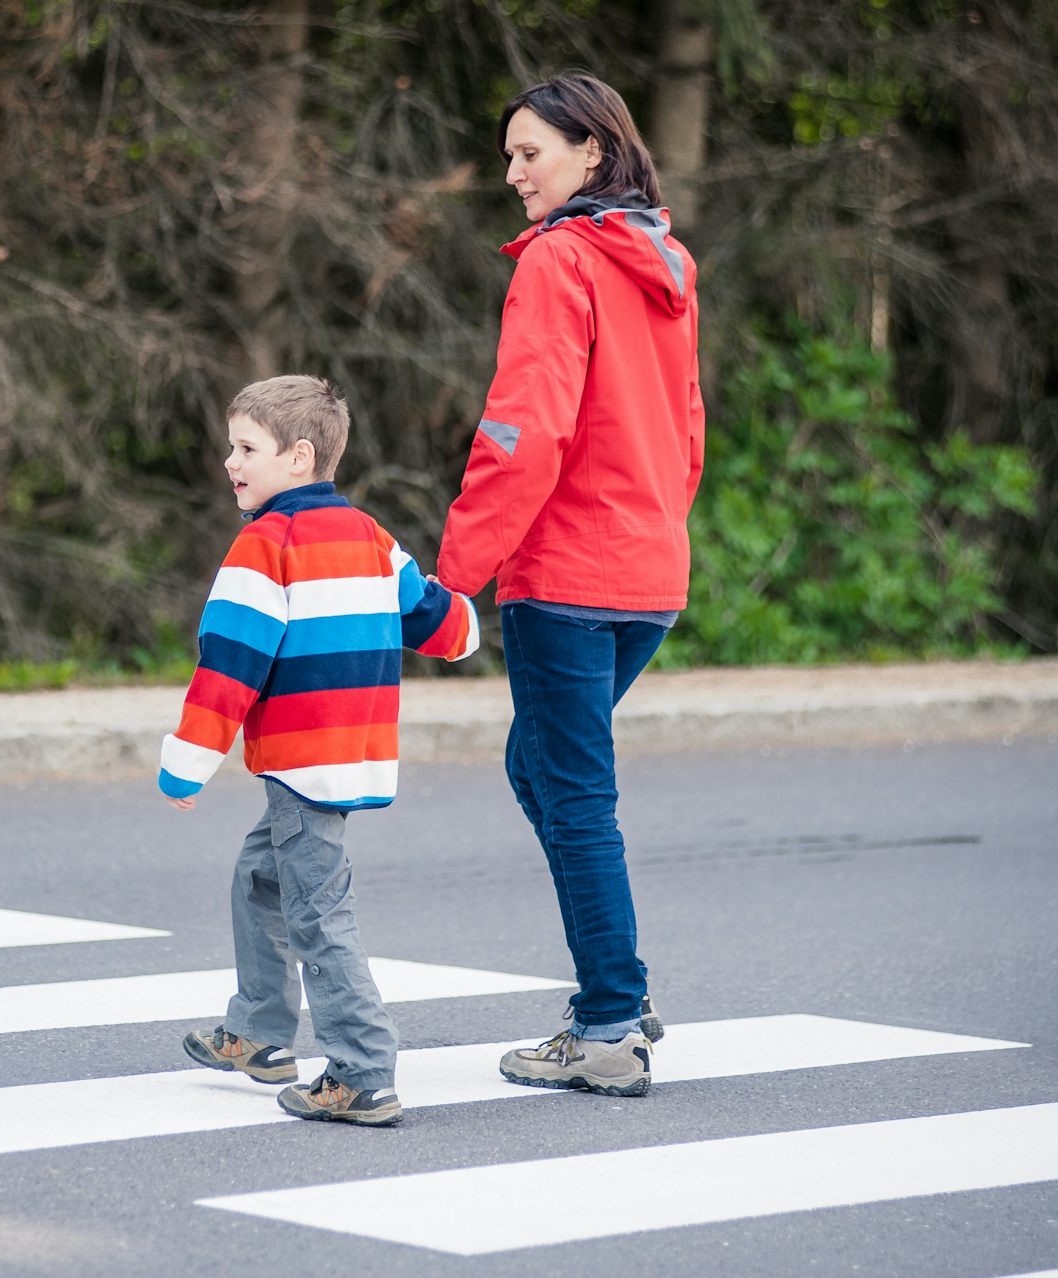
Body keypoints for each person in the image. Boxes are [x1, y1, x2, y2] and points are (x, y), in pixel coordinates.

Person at [434, 73, 705, 1098]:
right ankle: (615, 995)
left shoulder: (560, 262)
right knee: (542, 769)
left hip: (569, 574)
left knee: (573, 792)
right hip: (648, 570)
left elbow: (522, 432)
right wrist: (661, 536)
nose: (512, 174)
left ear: (594, 152)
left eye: (529, 154)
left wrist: (458, 579)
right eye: (508, 156)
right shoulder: (666, 261)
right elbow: (687, 431)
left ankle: (607, 1020)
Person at [161, 374, 480, 1127]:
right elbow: (436, 620)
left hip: (303, 763)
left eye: (246, 448)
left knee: (319, 915)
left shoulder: (264, 545)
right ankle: (259, 1033)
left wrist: (188, 760)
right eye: (230, 445)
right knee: (260, 878)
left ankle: (362, 1072)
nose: (229, 461)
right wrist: (467, 623)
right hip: (351, 751)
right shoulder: (371, 538)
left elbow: (228, 663)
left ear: (299, 456)